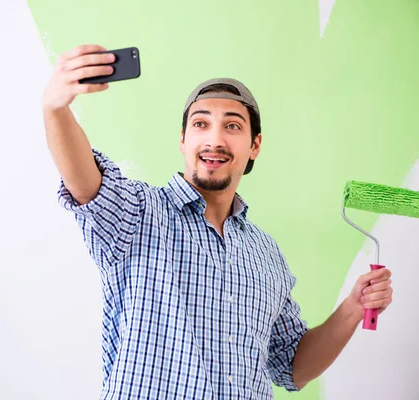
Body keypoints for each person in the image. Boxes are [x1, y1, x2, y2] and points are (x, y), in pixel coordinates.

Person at [42, 44, 394, 399]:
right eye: (201, 124)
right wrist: (55, 109)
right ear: (183, 140)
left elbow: (293, 367)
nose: (215, 139)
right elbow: (85, 182)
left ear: (254, 145)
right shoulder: (138, 213)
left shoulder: (267, 254)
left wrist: (352, 307)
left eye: (232, 126)